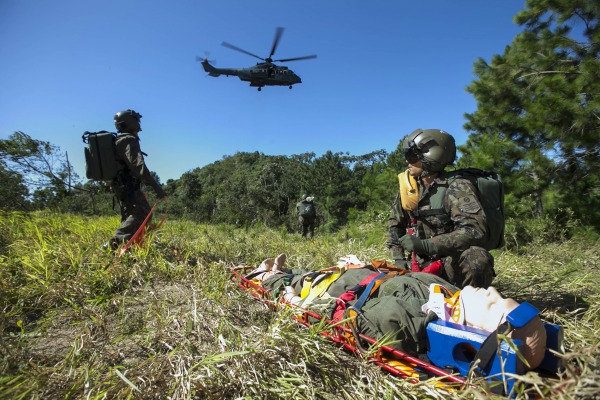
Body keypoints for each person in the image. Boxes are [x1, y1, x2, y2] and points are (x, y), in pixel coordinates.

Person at [243, 254, 547, 374]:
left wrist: (291, 299)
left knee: (299, 283)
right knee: (319, 274)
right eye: (504, 297)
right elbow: (410, 277)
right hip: (362, 275)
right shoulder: (451, 296)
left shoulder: (401, 321)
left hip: (336, 289)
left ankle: (272, 274)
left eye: (495, 306)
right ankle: (286, 272)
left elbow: (330, 317)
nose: (493, 293)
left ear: (474, 335)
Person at [388, 128, 494, 288]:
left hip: (451, 263)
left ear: (431, 157)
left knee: (477, 258)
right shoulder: (409, 190)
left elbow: (474, 230)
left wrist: (427, 245)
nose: (407, 162)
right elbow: (395, 227)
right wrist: (399, 261)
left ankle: (469, 303)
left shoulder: (457, 187)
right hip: (420, 267)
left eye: (411, 156)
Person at [103, 109, 166, 250]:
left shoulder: (118, 140)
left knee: (129, 215)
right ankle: (113, 243)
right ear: (132, 123)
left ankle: (130, 248)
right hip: (127, 184)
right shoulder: (128, 140)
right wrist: (156, 187)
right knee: (143, 213)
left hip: (120, 184)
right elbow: (139, 167)